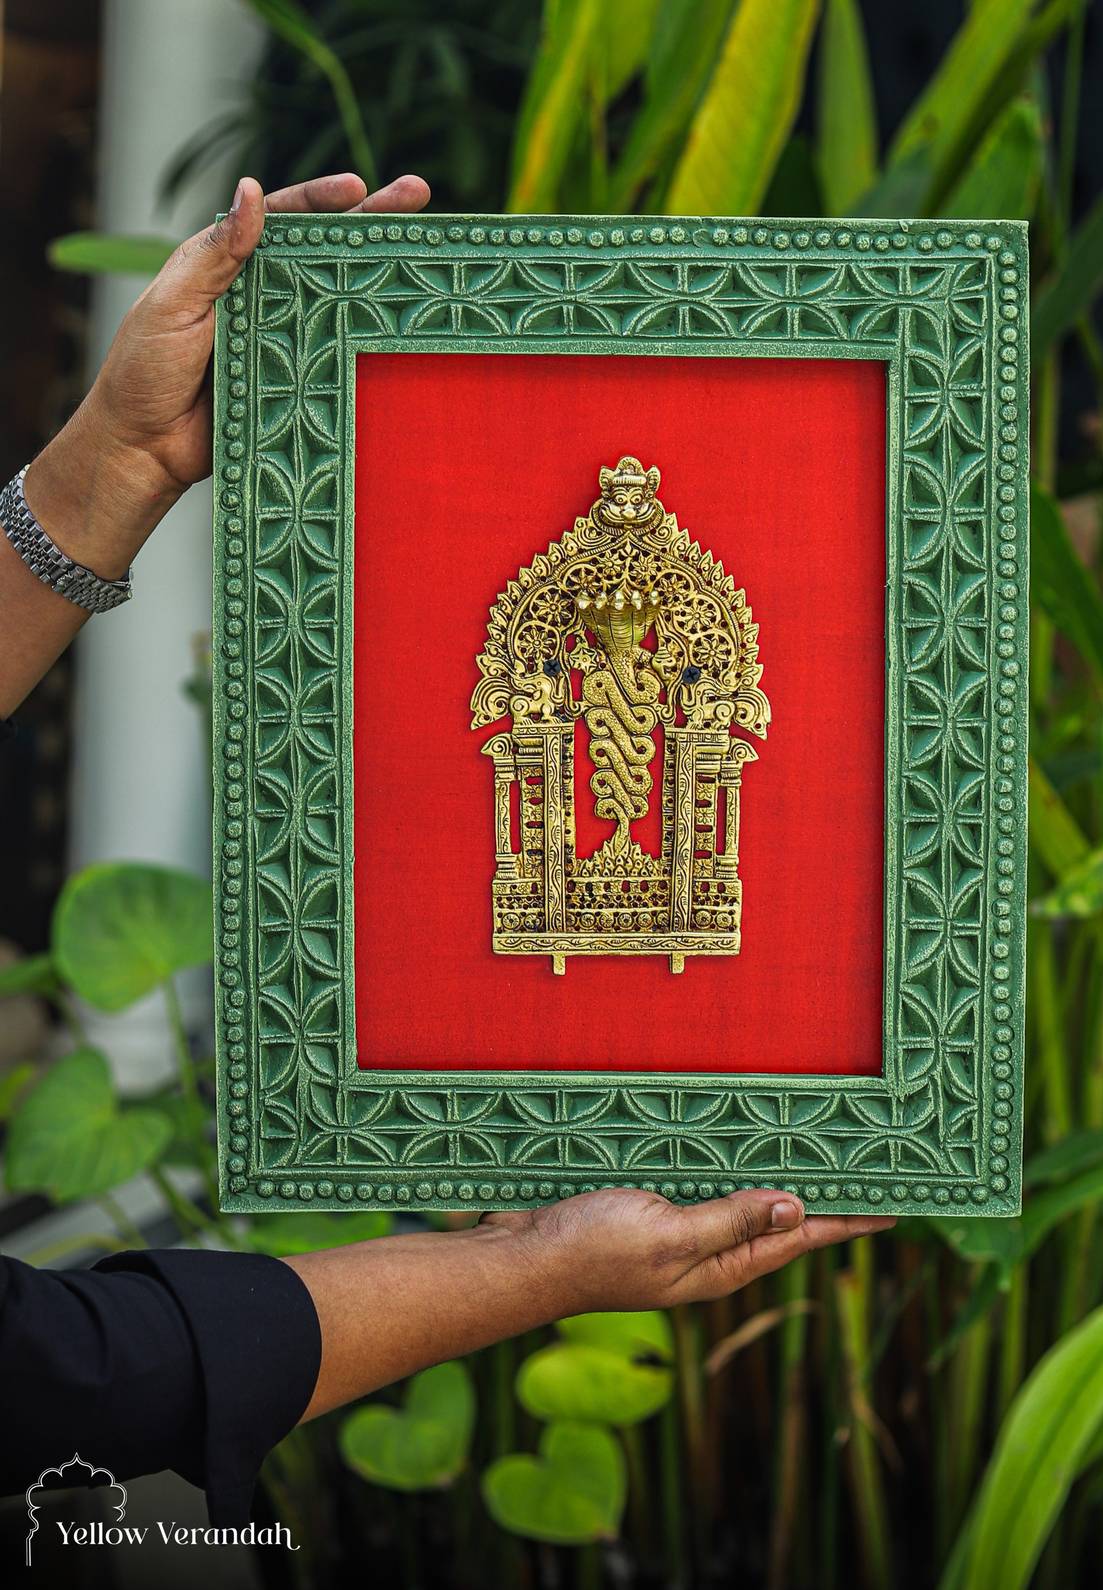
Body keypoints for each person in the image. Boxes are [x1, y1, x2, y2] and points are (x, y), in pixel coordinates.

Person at [0, 170, 894, 1527]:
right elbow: (54, 1379)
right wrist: (529, 1268)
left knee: (640, 781)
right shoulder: (556, 667)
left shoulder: (673, 661)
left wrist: (118, 461)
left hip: (640, 774)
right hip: (581, 778)